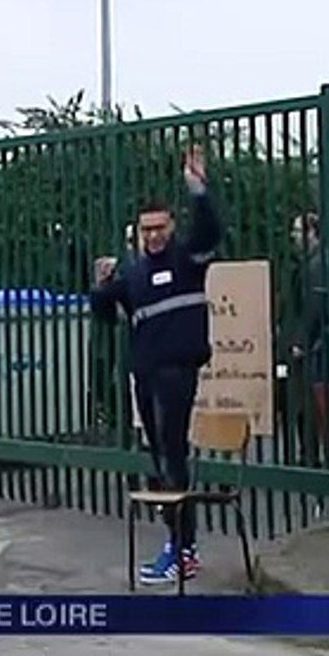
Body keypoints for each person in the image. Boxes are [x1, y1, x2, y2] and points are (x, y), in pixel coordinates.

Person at [90, 145, 222, 586]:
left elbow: (209, 233)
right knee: (159, 457)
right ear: (138, 232)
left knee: (172, 455)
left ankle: (183, 548)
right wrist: (101, 286)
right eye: (146, 230)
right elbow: (106, 316)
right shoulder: (135, 274)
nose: (153, 236)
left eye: (160, 227)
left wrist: (198, 190)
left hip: (176, 373)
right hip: (144, 376)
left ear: (171, 226)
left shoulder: (187, 260)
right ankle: (178, 543)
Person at [287, 212, 329, 466]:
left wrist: (300, 341)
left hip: (315, 347)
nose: (293, 238)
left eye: (297, 232)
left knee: (310, 404)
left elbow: (313, 307)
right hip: (316, 345)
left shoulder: (316, 266)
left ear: (312, 234)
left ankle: (311, 457)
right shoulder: (312, 263)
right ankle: (311, 455)